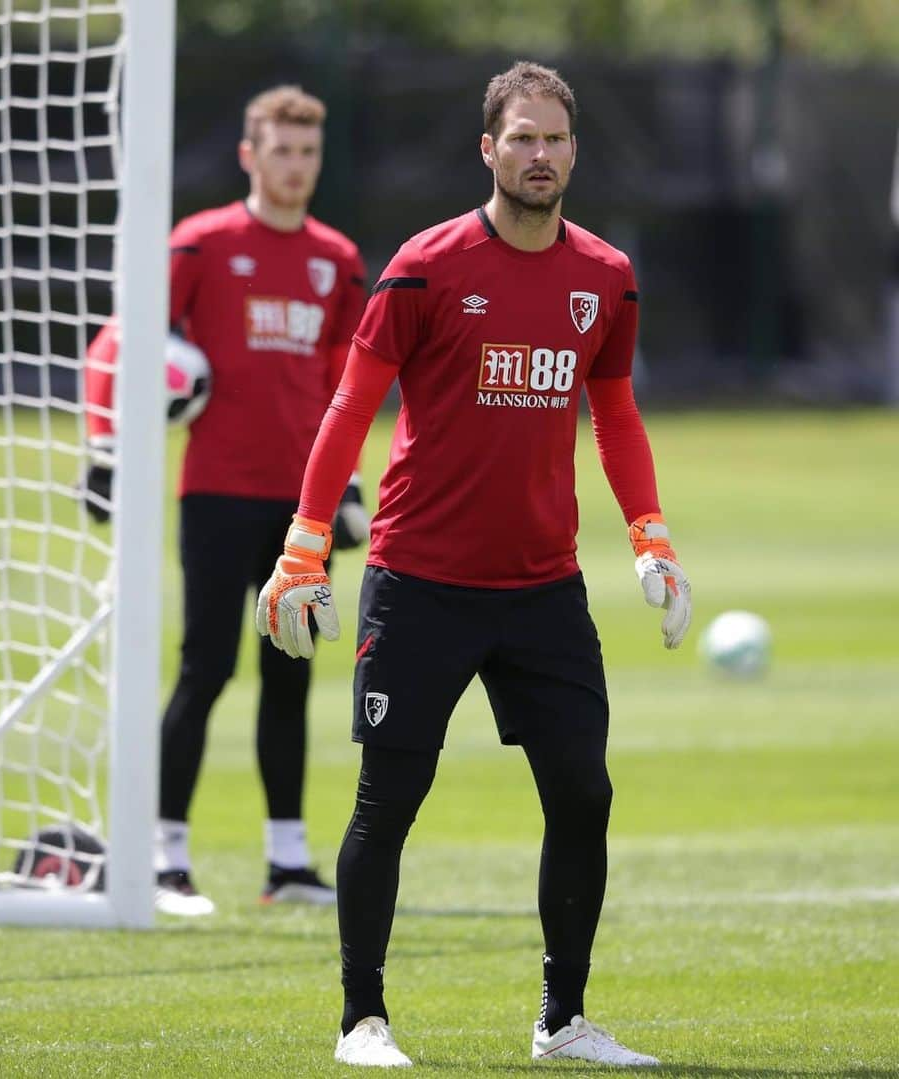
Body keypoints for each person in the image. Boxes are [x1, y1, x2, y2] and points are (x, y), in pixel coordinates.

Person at [255, 62, 691, 1067]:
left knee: (584, 792)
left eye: (556, 139)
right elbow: (349, 408)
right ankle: (362, 1020)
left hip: (543, 585)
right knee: (389, 797)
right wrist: (304, 544)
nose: (541, 155)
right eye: (522, 138)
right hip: (420, 582)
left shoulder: (608, 276)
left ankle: (562, 1019)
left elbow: (614, 412)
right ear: (488, 149)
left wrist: (650, 536)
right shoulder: (423, 266)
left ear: (574, 152)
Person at [84, 85, 369, 915]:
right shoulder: (201, 245)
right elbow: (121, 340)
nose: (296, 166)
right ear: (250, 156)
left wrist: (345, 484)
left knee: (290, 676)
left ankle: (287, 860)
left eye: (308, 152)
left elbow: (343, 384)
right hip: (213, 494)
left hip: (300, 506)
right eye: (280, 150)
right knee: (203, 670)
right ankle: (165, 856)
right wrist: (104, 447)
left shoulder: (340, 260)